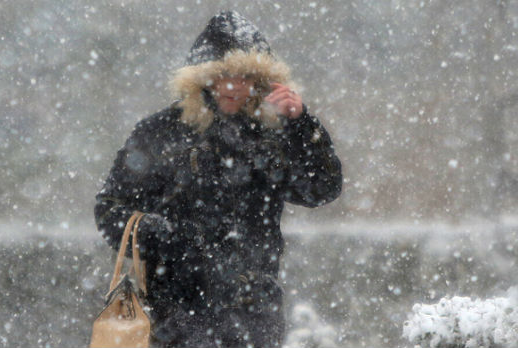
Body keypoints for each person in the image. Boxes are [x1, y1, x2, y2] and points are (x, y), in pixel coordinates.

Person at [95, 11, 342, 348]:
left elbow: (321, 189)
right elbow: (110, 208)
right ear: (201, 78)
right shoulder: (160, 132)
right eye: (223, 75)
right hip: (175, 314)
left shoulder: (273, 134)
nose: (235, 86)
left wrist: (302, 124)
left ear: (261, 80)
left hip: (255, 315)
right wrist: (161, 236)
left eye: (246, 76)